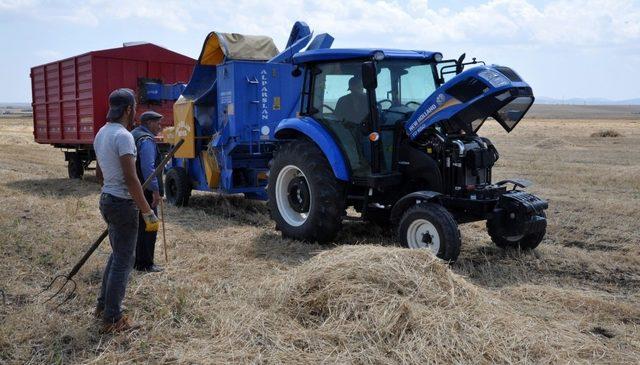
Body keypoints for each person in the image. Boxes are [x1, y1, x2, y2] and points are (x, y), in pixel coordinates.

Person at [94, 88, 159, 333]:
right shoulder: (124, 136)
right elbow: (132, 180)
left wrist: (111, 191)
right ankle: (112, 319)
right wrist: (146, 211)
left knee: (117, 255)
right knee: (124, 260)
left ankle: (103, 306)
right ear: (129, 109)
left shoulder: (101, 133)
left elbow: (100, 174)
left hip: (107, 200)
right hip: (122, 203)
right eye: (134, 108)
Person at [131, 111, 165, 273]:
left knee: (138, 226)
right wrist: (155, 191)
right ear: (149, 123)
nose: (160, 126)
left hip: (134, 188)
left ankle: (136, 260)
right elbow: (148, 168)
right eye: (158, 123)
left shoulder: (133, 135)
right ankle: (145, 264)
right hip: (146, 191)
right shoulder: (146, 140)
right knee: (150, 225)